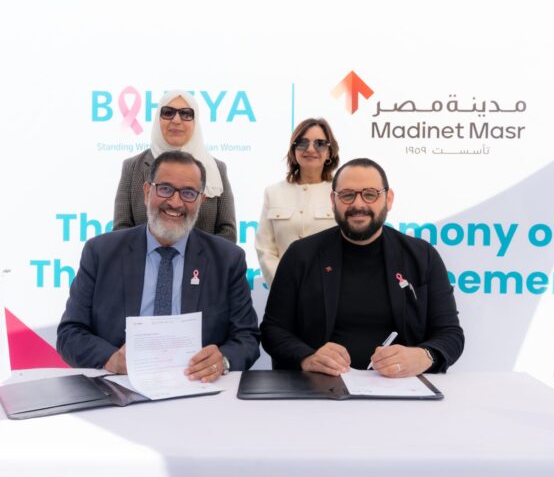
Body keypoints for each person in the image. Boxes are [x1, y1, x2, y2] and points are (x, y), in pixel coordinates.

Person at [58, 151, 260, 381]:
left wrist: (223, 360)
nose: (175, 202)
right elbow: (70, 334)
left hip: (198, 387)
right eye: (165, 189)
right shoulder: (101, 253)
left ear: (201, 201)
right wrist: (111, 359)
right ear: (147, 192)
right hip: (120, 386)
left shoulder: (227, 259)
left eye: (188, 193)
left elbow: (247, 338)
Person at [261, 158, 464, 377]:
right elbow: (273, 330)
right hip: (319, 387)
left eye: (370, 194)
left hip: (402, 387)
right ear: (333, 201)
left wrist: (425, 356)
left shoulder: (422, 256)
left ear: (388, 199)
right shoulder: (301, 255)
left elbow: (450, 333)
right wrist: (307, 357)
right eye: (347, 195)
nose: (358, 205)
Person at [113, 90, 237, 243]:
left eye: (186, 114)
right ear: (158, 119)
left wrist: (189, 254)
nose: (176, 120)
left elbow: (227, 232)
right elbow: (121, 230)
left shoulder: (216, 168)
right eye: (168, 113)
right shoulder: (132, 167)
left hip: (203, 259)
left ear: (195, 122)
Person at [255, 118, 340, 286]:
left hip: (329, 289)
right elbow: (265, 248)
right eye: (302, 143)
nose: (310, 149)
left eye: (320, 143)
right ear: (293, 150)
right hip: (284, 290)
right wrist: (284, 286)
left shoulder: (341, 193)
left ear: (329, 152)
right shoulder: (273, 192)